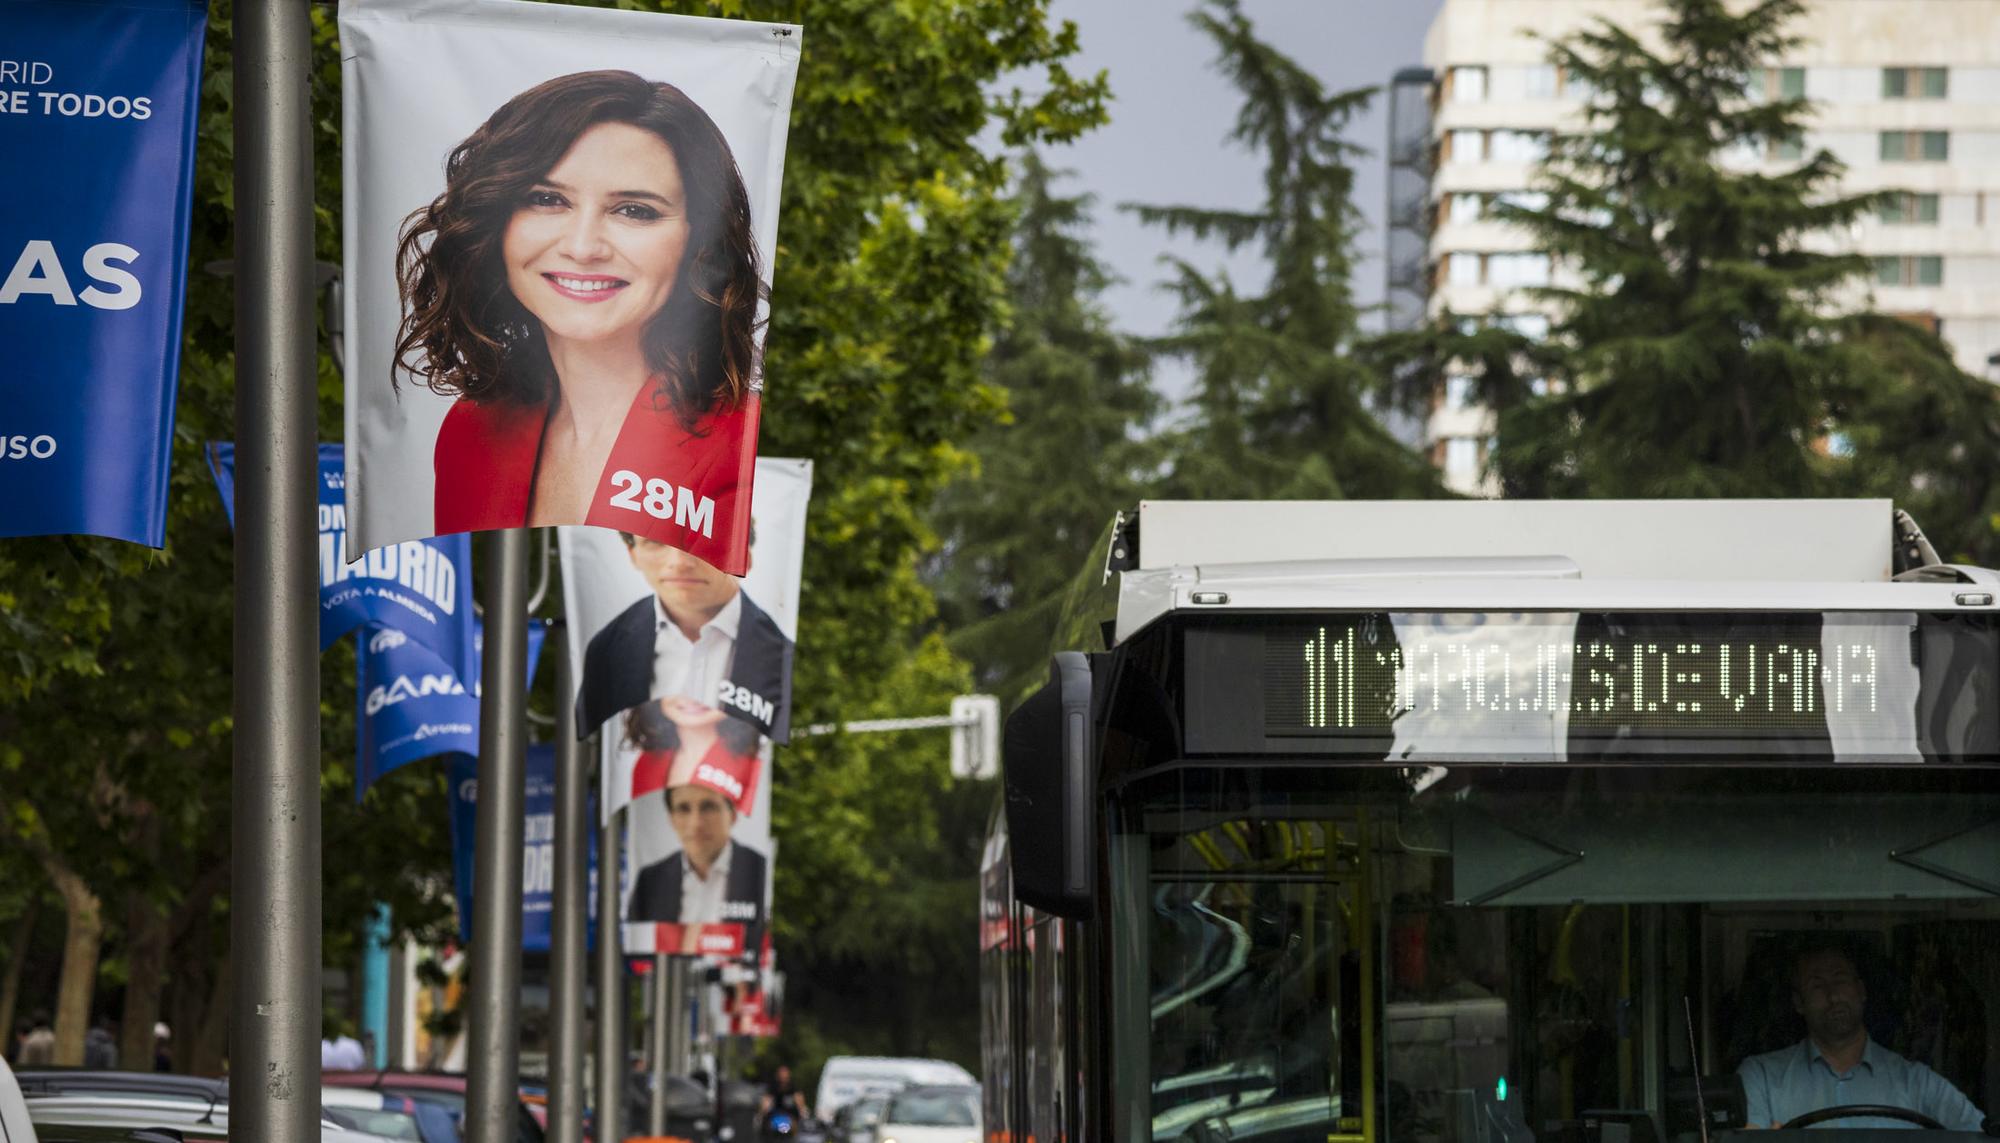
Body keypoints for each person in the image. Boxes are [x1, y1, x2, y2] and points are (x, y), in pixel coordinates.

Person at [396, 69, 766, 572]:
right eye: (547, 200)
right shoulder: (473, 432)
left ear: (697, 241)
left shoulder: (742, 441)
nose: (582, 246)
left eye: (634, 210)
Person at [1738, 944, 1986, 1131]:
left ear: (1861, 991)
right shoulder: (1761, 1077)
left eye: (1840, 980)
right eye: (1816, 986)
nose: (1833, 996)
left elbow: (1981, 1135)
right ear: (1798, 1003)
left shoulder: (1917, 1083)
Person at [576, 529, 793, 740]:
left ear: (744, 557)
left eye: (705, 539)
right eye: (655, 541)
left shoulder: (781, 651)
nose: (680, 562)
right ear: (632, 554)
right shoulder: (606, 648)